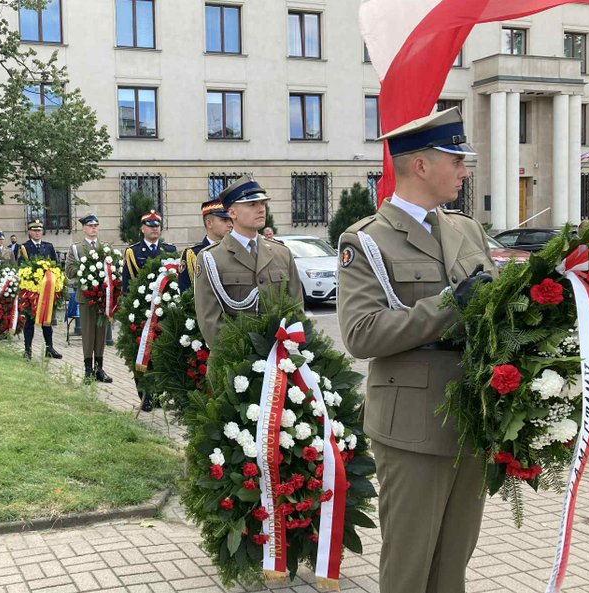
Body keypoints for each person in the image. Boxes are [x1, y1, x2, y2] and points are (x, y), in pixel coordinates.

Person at [337, 108, 495, 593]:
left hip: (472, 416)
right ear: (422, 166)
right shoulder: (366, 240)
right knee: (409, 568)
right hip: (413, 426)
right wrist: (449, 304)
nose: (464, 170)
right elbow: (361, 334)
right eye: (456, 159)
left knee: (453, 564)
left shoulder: (465, 229)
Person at [193, 175, 303, 347]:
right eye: (252, 204)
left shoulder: (282, 253)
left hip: (281, 359)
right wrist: (248, 357)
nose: (261, 209)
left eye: (263, 204)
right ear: (232, 212)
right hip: (233, 363)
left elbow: (296, 309)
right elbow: (210, 322)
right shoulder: (212, 257)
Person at [123, 210, 176, 410]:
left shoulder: (169, 250)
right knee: (141, 352)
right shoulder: (133, 252)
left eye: (157, 226)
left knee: (160, 353)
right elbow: (127, 285)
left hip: (163, 311)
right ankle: (146, 396)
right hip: (142, 311)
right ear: (142, 229)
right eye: (150, 226)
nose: (155, 229)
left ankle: (159, 395)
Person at [65, 214, 114, 384]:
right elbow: (69, 271)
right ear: (84, 228)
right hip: (86, 296)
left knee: (101, 333)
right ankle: (88, 369)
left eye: (96, 226)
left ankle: (99, 368)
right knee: (88, 332)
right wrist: (86, 270)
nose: (94, 228)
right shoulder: (76, 249)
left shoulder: (106, 248)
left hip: (102, 296)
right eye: (90, 226)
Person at [16, 220, 62, 360]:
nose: (37, 232)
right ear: (29, 232)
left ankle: (49, 348)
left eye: (39, 230)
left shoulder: (48, 247)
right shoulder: (24, 247)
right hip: (31, 291)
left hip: (47, 290)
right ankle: (28, 349)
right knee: (29, 321)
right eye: (34, 230)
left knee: (47, 321)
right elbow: (21, 267)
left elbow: (56, 265)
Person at [178, 198, 233, 292]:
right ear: (209, 223)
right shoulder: (193, 254)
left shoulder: (236, 250)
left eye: (231, 220)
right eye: (224, 220)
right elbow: (185, 294)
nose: (230, 224)